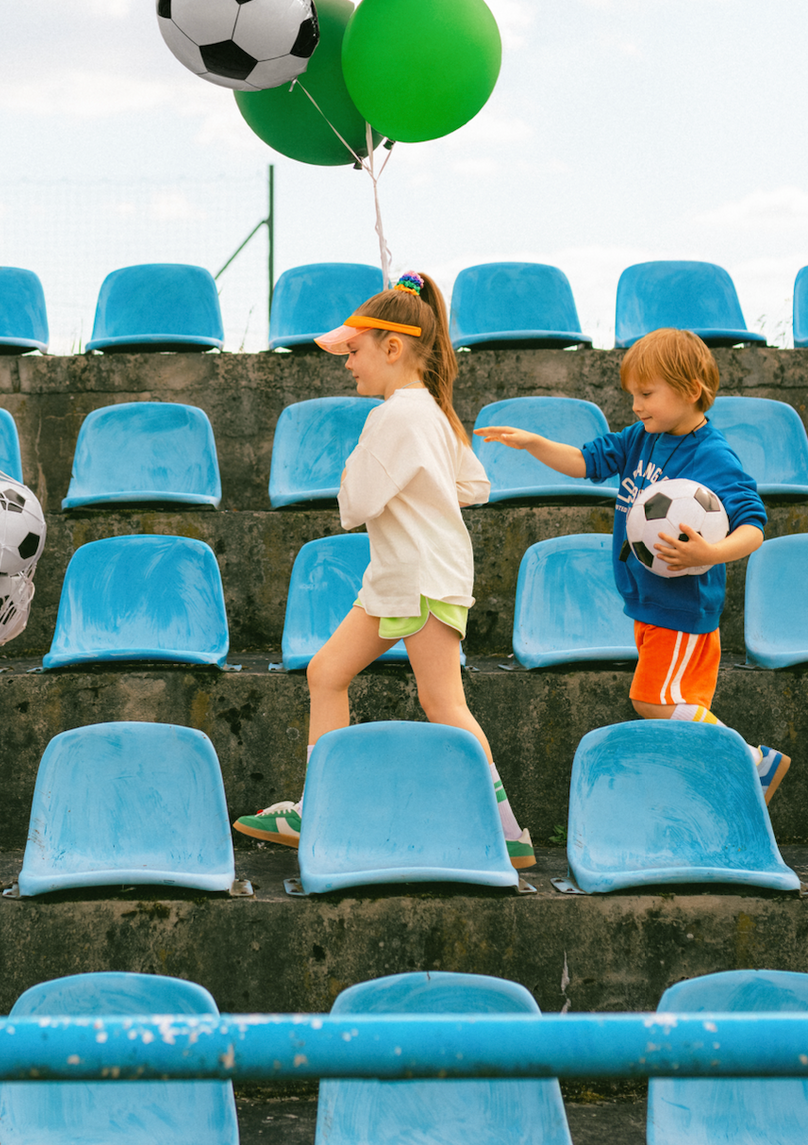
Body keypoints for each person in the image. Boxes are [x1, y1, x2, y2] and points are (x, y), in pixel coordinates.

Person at [233, 272, 536, 869]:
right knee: (326, 673)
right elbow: (473, 485)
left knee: (443, 702)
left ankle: (505, 831)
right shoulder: (428, 412)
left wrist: (370, 464)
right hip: (401, 579)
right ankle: (319, 810)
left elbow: (355, 504)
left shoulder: (397, 417)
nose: (348, 364)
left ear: (392, 349)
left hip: (419, 577)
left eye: (354, 350)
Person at [475, 326, 787, 802]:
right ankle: (712, 791)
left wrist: (711, 553)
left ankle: (750, 761)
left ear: (690, 391)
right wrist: (534, 443)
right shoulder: (640, 438)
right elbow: (585, 462)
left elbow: (754, 524)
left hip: (682, 611)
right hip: (647, 605)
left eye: (646, 394)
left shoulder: (713, 456)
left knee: (651, 699)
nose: (636, 405)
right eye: (632, 395)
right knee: (679, 710)